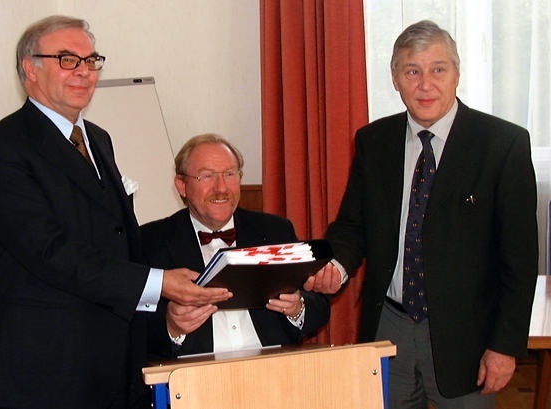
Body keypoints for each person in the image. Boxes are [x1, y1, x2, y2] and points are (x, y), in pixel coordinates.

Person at [0, 16, 230, 409]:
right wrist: (158, 283)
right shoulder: (0, 147)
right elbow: (48, 251)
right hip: (44, 365)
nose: (84, 72)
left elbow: (116, 238)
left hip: (110, 356)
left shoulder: (98, 139)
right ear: (30, 69)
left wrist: (167, 309)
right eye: (67, 59)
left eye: (91, 61)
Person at [324, 20, 538, 408]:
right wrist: (337, 267)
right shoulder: (374, 142)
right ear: (395, 79)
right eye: (412, 71)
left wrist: (504, 347)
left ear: (457, 73)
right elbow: (353, 225)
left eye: (438, 69)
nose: (426, 84)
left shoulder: (502, 145)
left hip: (469, 340)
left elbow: (519, 262)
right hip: (389, 327)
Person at [128, 133, 332, 405]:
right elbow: (130, 325)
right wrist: (172, 327)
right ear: (181, 185)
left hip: (277, 380)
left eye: (229, 174)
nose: (221, 187)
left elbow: (319, 305)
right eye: (207, 176)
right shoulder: (149, 241)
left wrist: (298, 309)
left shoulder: (275, 230)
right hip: (192, 387)